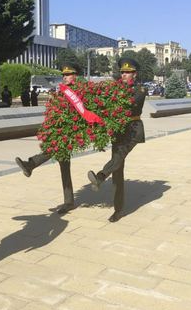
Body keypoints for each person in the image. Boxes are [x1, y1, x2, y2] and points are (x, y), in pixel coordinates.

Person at [15, 63, 81, 215]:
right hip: (59, 130)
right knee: (64, 165)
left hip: (70, 132)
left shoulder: (79, 92)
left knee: (54, 151)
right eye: (64, 75)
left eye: (68, 75)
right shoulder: (62, 92)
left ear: (74, 76)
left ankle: (30, 164)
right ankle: (69, 201)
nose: (65, 77)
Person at [87, 57, 146, 222]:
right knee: (118, 170)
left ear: (135, 74)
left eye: (128, 72)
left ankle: (100, 176)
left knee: (118, 157)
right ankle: (118, 209)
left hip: (133, 130)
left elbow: (129, 105)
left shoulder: (140, 90)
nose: (125, 75)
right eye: (123, 72)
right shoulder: (114, 88)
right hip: (118, 130)